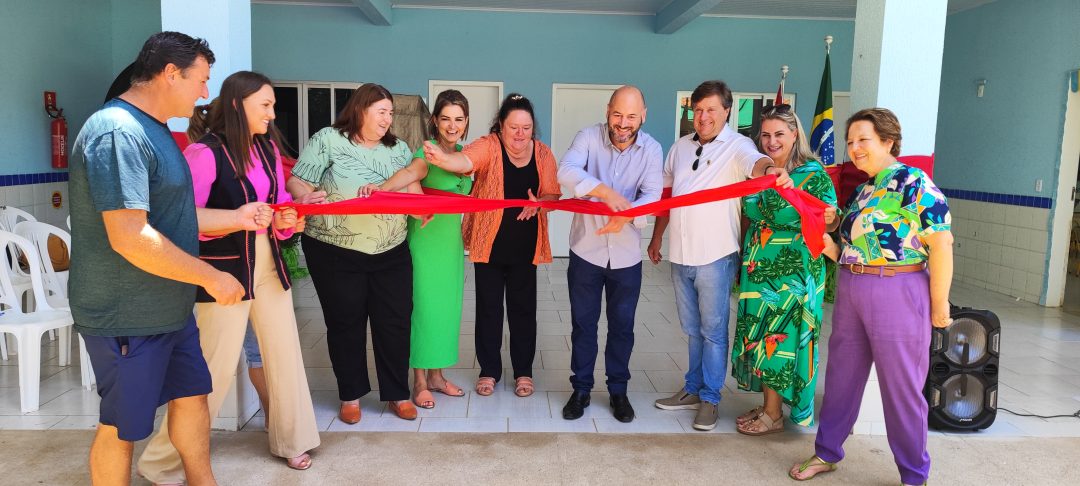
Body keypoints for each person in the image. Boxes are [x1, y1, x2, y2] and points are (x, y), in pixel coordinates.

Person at [69, 32, 271, 485]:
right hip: (127, 312)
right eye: (201, 80)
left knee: (193, 398)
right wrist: (211, 276)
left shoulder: (156, 130)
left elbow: (173, 214)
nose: (204, 93)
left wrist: (237, 217)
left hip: (169, 308)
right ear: (170, 73)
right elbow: (130, 236)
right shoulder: (118, 132)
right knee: (122, 425)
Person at [137, 71, 320, 482]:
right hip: (224, 270)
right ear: (238, 104)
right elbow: (182, 218)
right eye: (265, 106)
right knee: (211, 368)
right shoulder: (204, 153)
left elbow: (279, 205)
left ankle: (293, 440)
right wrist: (238, 219)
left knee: (285, 356)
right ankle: (162, 462)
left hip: (268, 266)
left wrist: (288, 218)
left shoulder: (267, 149)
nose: (272, 115)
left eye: (273, 106)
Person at [789, 108, 953, 486]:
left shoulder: (913, 182)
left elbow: (942, 243)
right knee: (842, 378)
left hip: (898, 291)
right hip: (852, 287)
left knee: (901, 389)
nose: (855, 148)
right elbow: (852, 249)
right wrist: (825, 238)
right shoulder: (864, 190)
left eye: (863, 139)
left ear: (888, 141)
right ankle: (827, 452)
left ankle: (914, 475)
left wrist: (940, 303)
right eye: (850, 141)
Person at [648, 80, 792, 431]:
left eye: (711, 109)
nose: (703, 117)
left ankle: (711, 398)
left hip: (716, 256)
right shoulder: (680, 147)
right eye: (697, 110)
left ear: (727, 111)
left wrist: (771, 171)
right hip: (680, 255)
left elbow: (756, 163)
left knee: (713, 331)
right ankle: (692, 388)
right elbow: (667, 196)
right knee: (692, 329)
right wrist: (656, 238)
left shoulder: (739, 145)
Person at [287, 83, 418, 423]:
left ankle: (397, 393)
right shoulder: (328, 139)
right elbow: (298, 180)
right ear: (361, 110)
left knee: (395, 322)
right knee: (345, 322)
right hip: (334, 250)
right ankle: (350, 395)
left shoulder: (399, 148)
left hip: (391, 249)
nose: (388, 119)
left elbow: (412, 187)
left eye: (390, 113)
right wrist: (303, 197)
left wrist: (421, 208)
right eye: (381, 112)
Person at [422, 93, 560, 398]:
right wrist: (443, 159)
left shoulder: (543, 153)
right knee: (489, 311)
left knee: (524, 312)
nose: (520, 134)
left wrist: (540, 203)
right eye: (513, 127)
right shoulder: (489, 145)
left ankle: (523, 372)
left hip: (526, 249)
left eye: (526, 128)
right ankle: (489, 371)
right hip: (490, 246)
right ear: (500, 125)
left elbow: (552, 195)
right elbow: (466, 161)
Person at [358, 89, 473, 409]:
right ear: (435, 120)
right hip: (424, 241)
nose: (452, 126)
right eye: (446, 118)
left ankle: (437, 376)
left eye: (459, 119)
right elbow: (411, 173)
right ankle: (419, 381)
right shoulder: (426, 152)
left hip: (450, 245)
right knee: (422, 309)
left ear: (466, 122)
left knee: (445, 310)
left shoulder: (464, 155)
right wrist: (382, 189)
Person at [556, 86, 663, 423]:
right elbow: (566, 171)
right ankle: (581, 389)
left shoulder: (652, 149)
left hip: (627, 257)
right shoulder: (588, 137)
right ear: (607, 110)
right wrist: (606, 194)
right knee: (583, 325)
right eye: (617, 114)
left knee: (622, 328)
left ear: (643, 116)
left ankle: (618, 391)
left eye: (631, 116)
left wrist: (625, 215)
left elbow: (653, 196)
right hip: (585, 253)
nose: (623, 123)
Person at [729, 104, 837, 436]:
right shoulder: (759, 171)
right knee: (761, 337)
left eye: (779, 134)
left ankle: (774, 415)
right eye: (765, 135)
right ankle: (768, 405)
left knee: (781, 340)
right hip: (758, 269)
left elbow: (830, 220)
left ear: (794, 134)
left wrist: (825, 215)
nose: (771, 141)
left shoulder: (813, 174)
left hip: (794, 273)